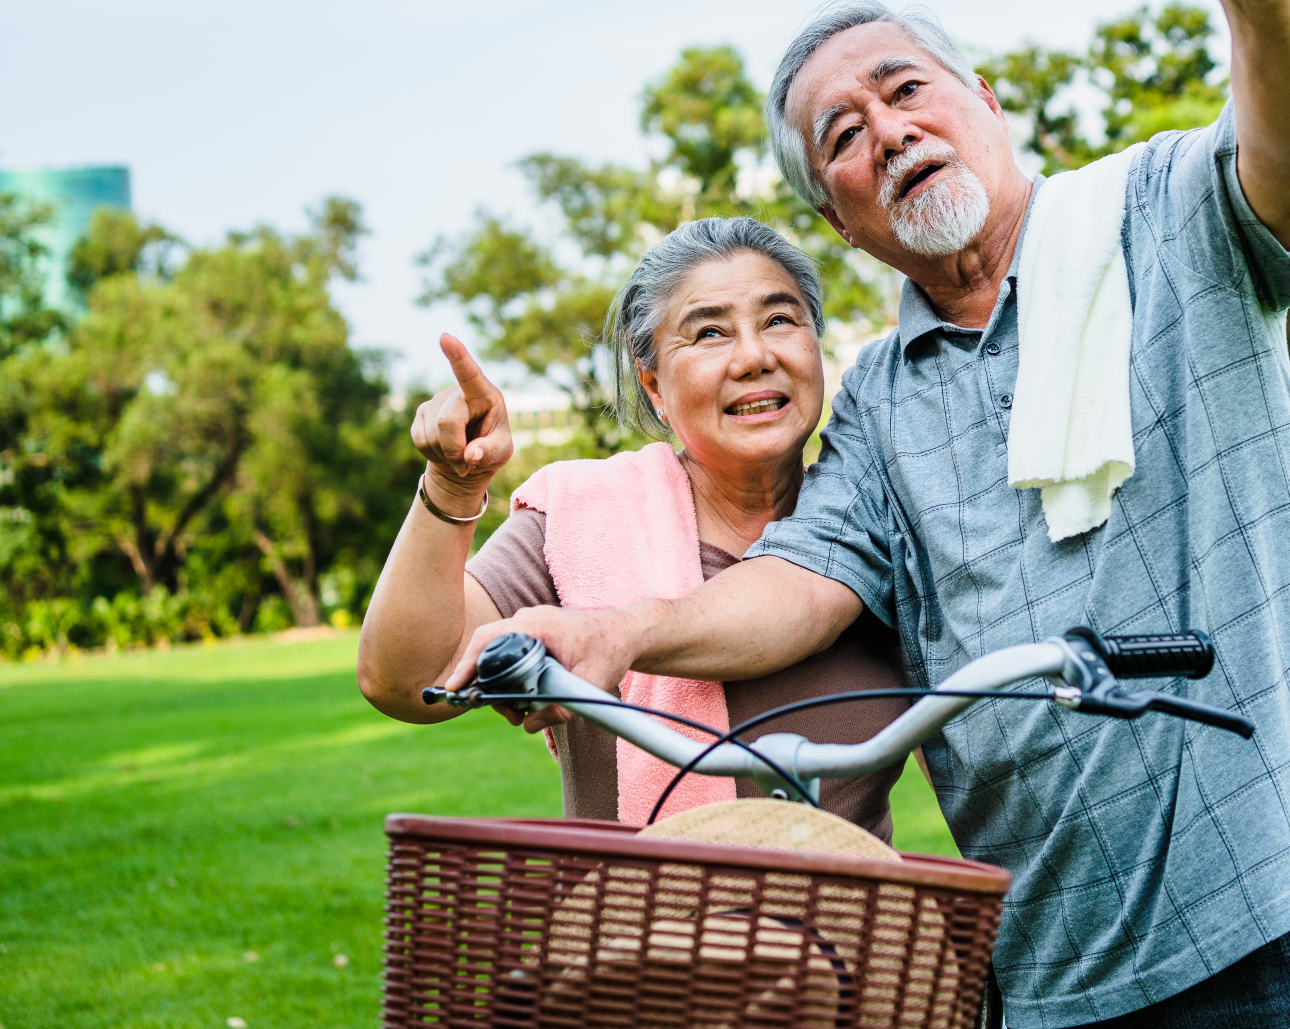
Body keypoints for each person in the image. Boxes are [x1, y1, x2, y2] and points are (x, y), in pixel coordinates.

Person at [437, 0, 1290, 1029]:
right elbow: (801, 586)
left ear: (984, 102)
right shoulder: (872, 398)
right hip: (1054, 969)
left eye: (907, 89)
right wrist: (622, 629)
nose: (887, 130)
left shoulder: (1156, 211)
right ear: (841, 216)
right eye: (843, 136)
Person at [357, 216, 909, 840]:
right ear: (654, 389)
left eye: (780, 320)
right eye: (709, 333)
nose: (755, 356)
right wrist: (451, 485)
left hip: (850, 932)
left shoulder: (880, 524)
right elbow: (405, 681)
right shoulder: (582, 517)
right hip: (632, 932)